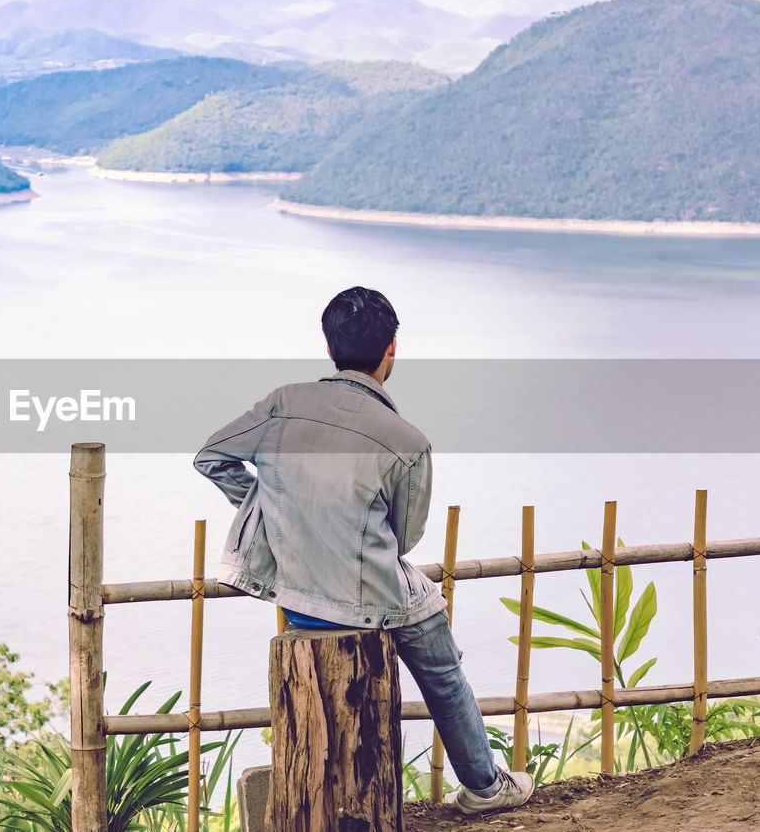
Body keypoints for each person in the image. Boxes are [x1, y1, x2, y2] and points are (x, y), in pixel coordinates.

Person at [192, 285, 533, 814]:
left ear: (329, 349)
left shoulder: (283, 403)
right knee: (442, 669)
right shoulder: (406, 440)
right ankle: (484, 787)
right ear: (391, 349)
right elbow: (404, 538)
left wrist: (272, 505)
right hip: (369, 599)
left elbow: (211, 457)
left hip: (298, 596)